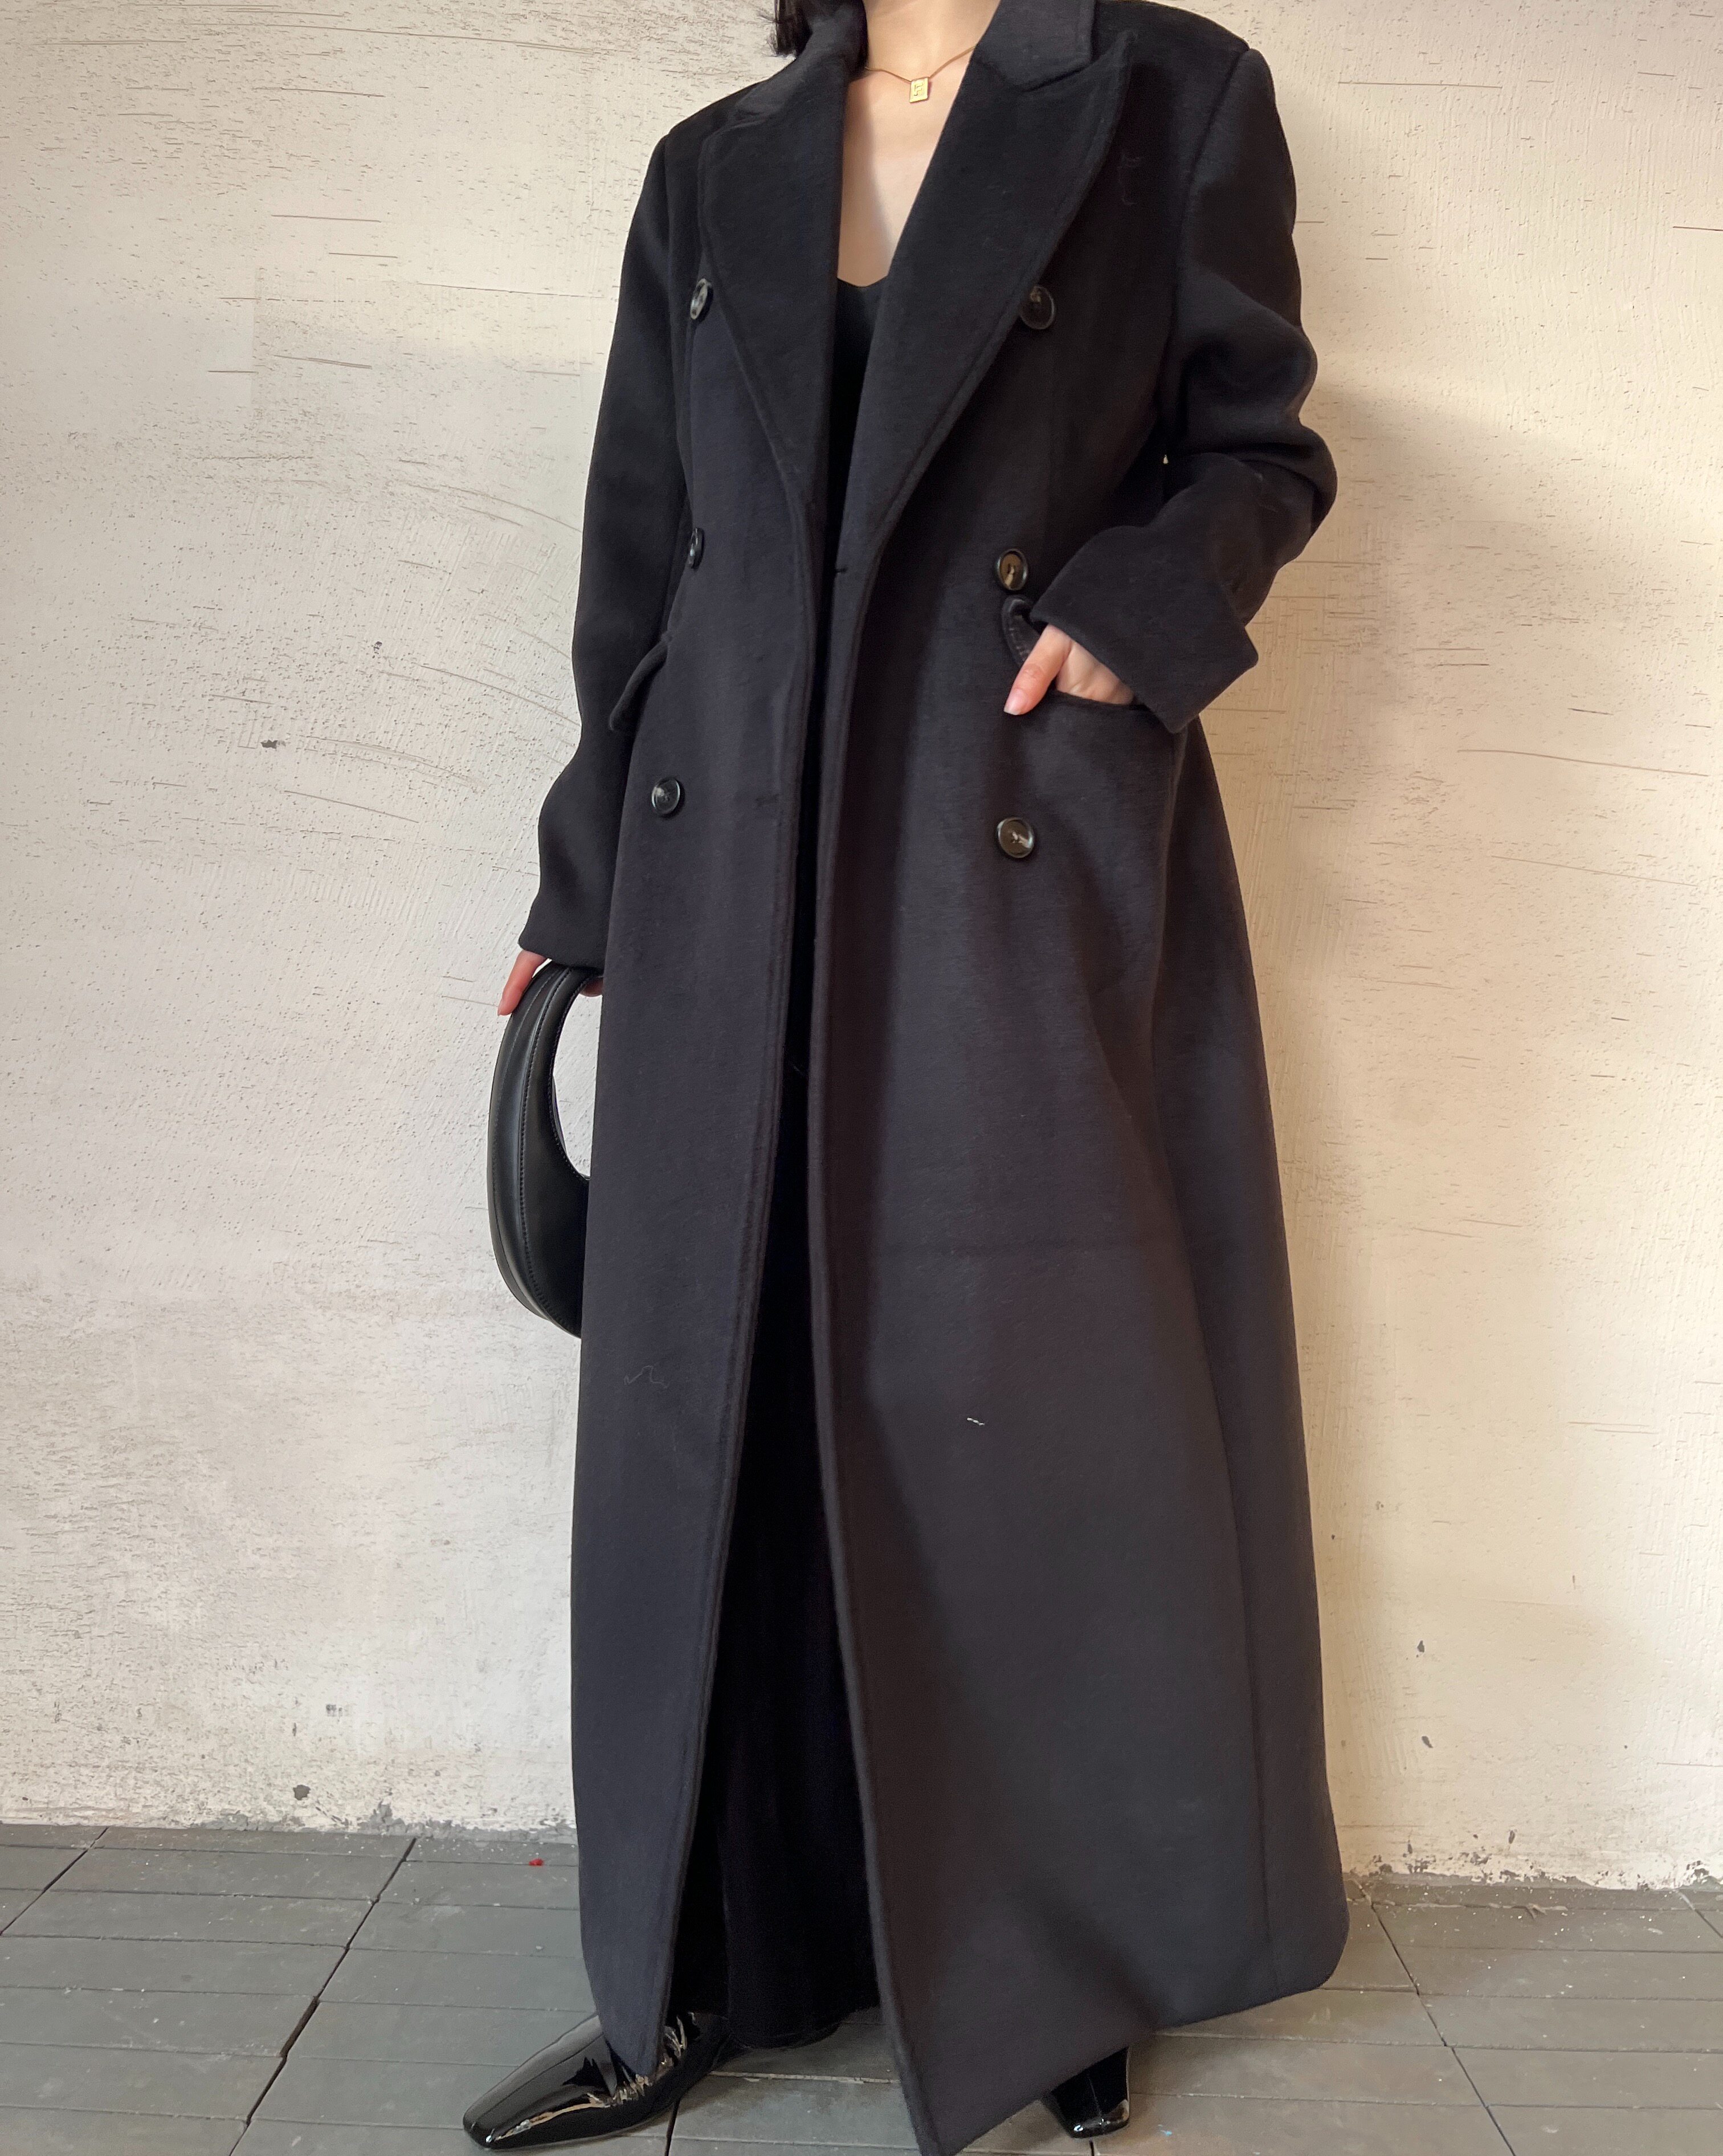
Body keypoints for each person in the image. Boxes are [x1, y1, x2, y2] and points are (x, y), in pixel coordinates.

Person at [468, 2, 1346, 2150]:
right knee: (723, 1409)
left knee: (1022, 1419)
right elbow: (642, 560)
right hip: (724, 874)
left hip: (998, 848)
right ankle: (699, 1960)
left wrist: (1138, 615)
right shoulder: (716, 159)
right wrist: (586, 887)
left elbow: (1261, 448)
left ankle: (1059, 1966)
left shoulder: (1168, 98)